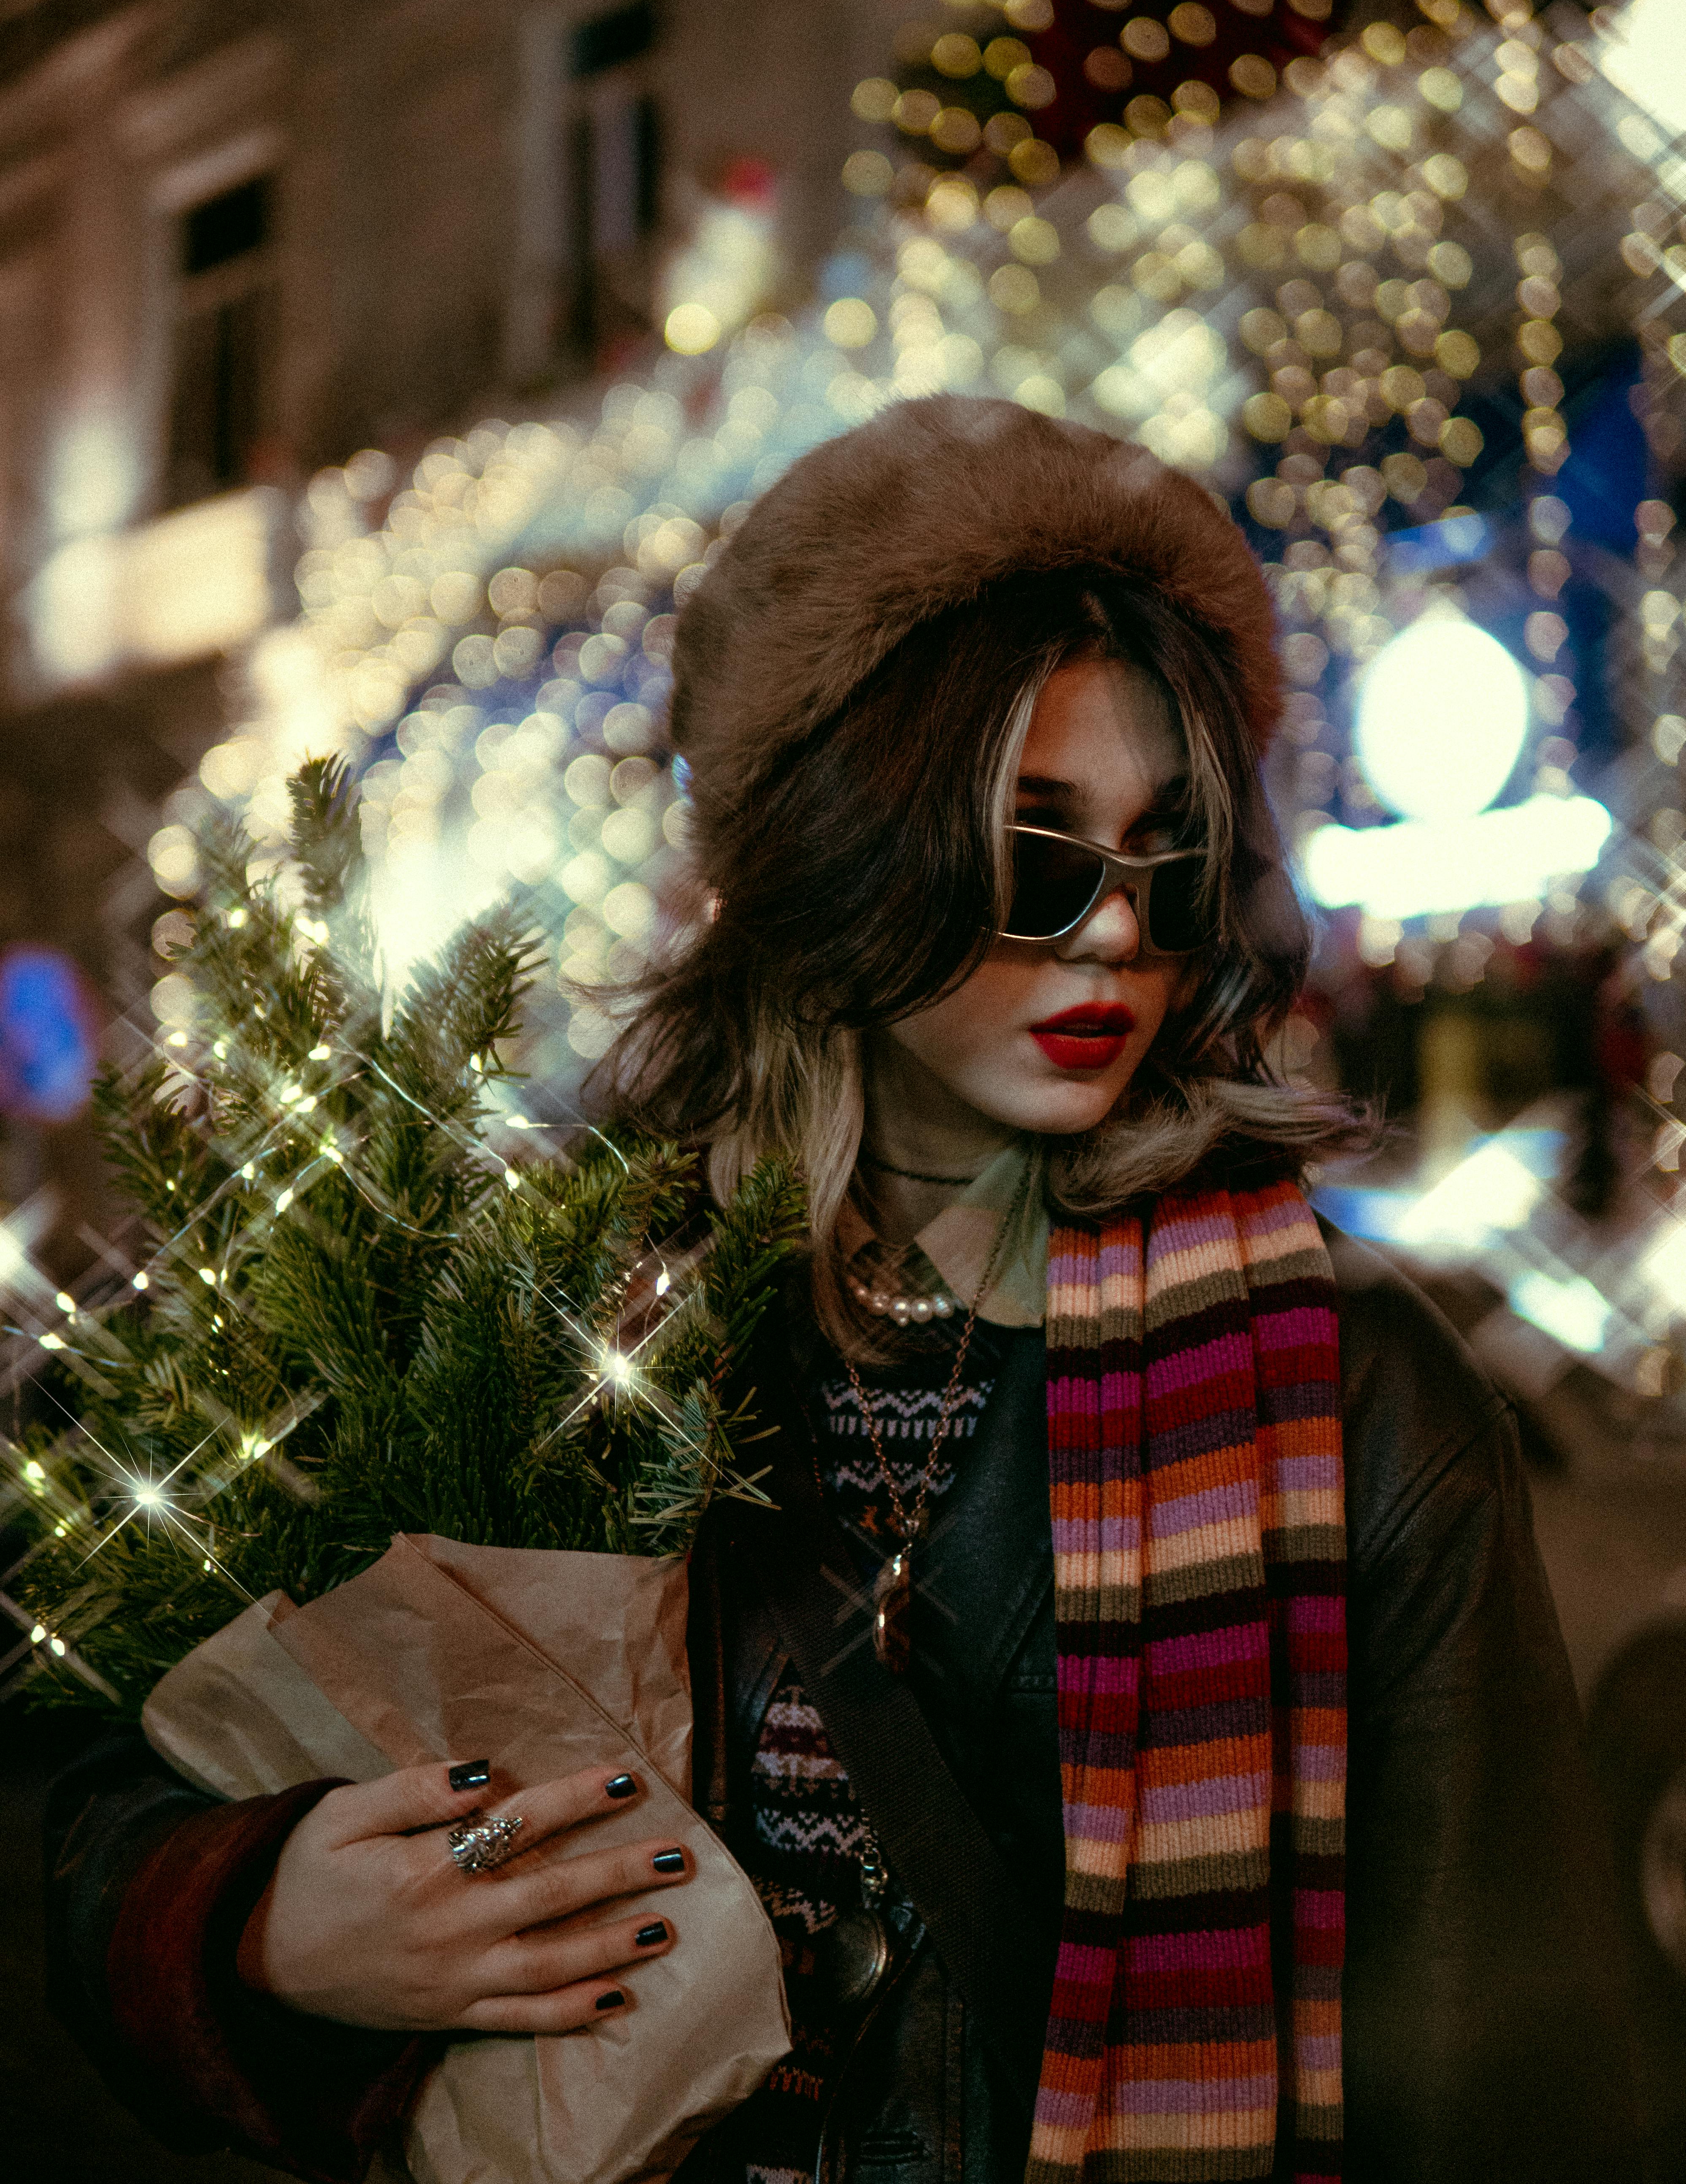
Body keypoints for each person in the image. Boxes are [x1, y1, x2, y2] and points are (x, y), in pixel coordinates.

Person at [45, 397, 1640, 2184]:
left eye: (1164, 859)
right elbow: (89, 1775)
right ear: (831, 848)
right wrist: (256, 1923)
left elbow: (1519, 2070)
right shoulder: (556, 1336)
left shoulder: (1348, 1390)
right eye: (1036, 853)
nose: (1111, 929)